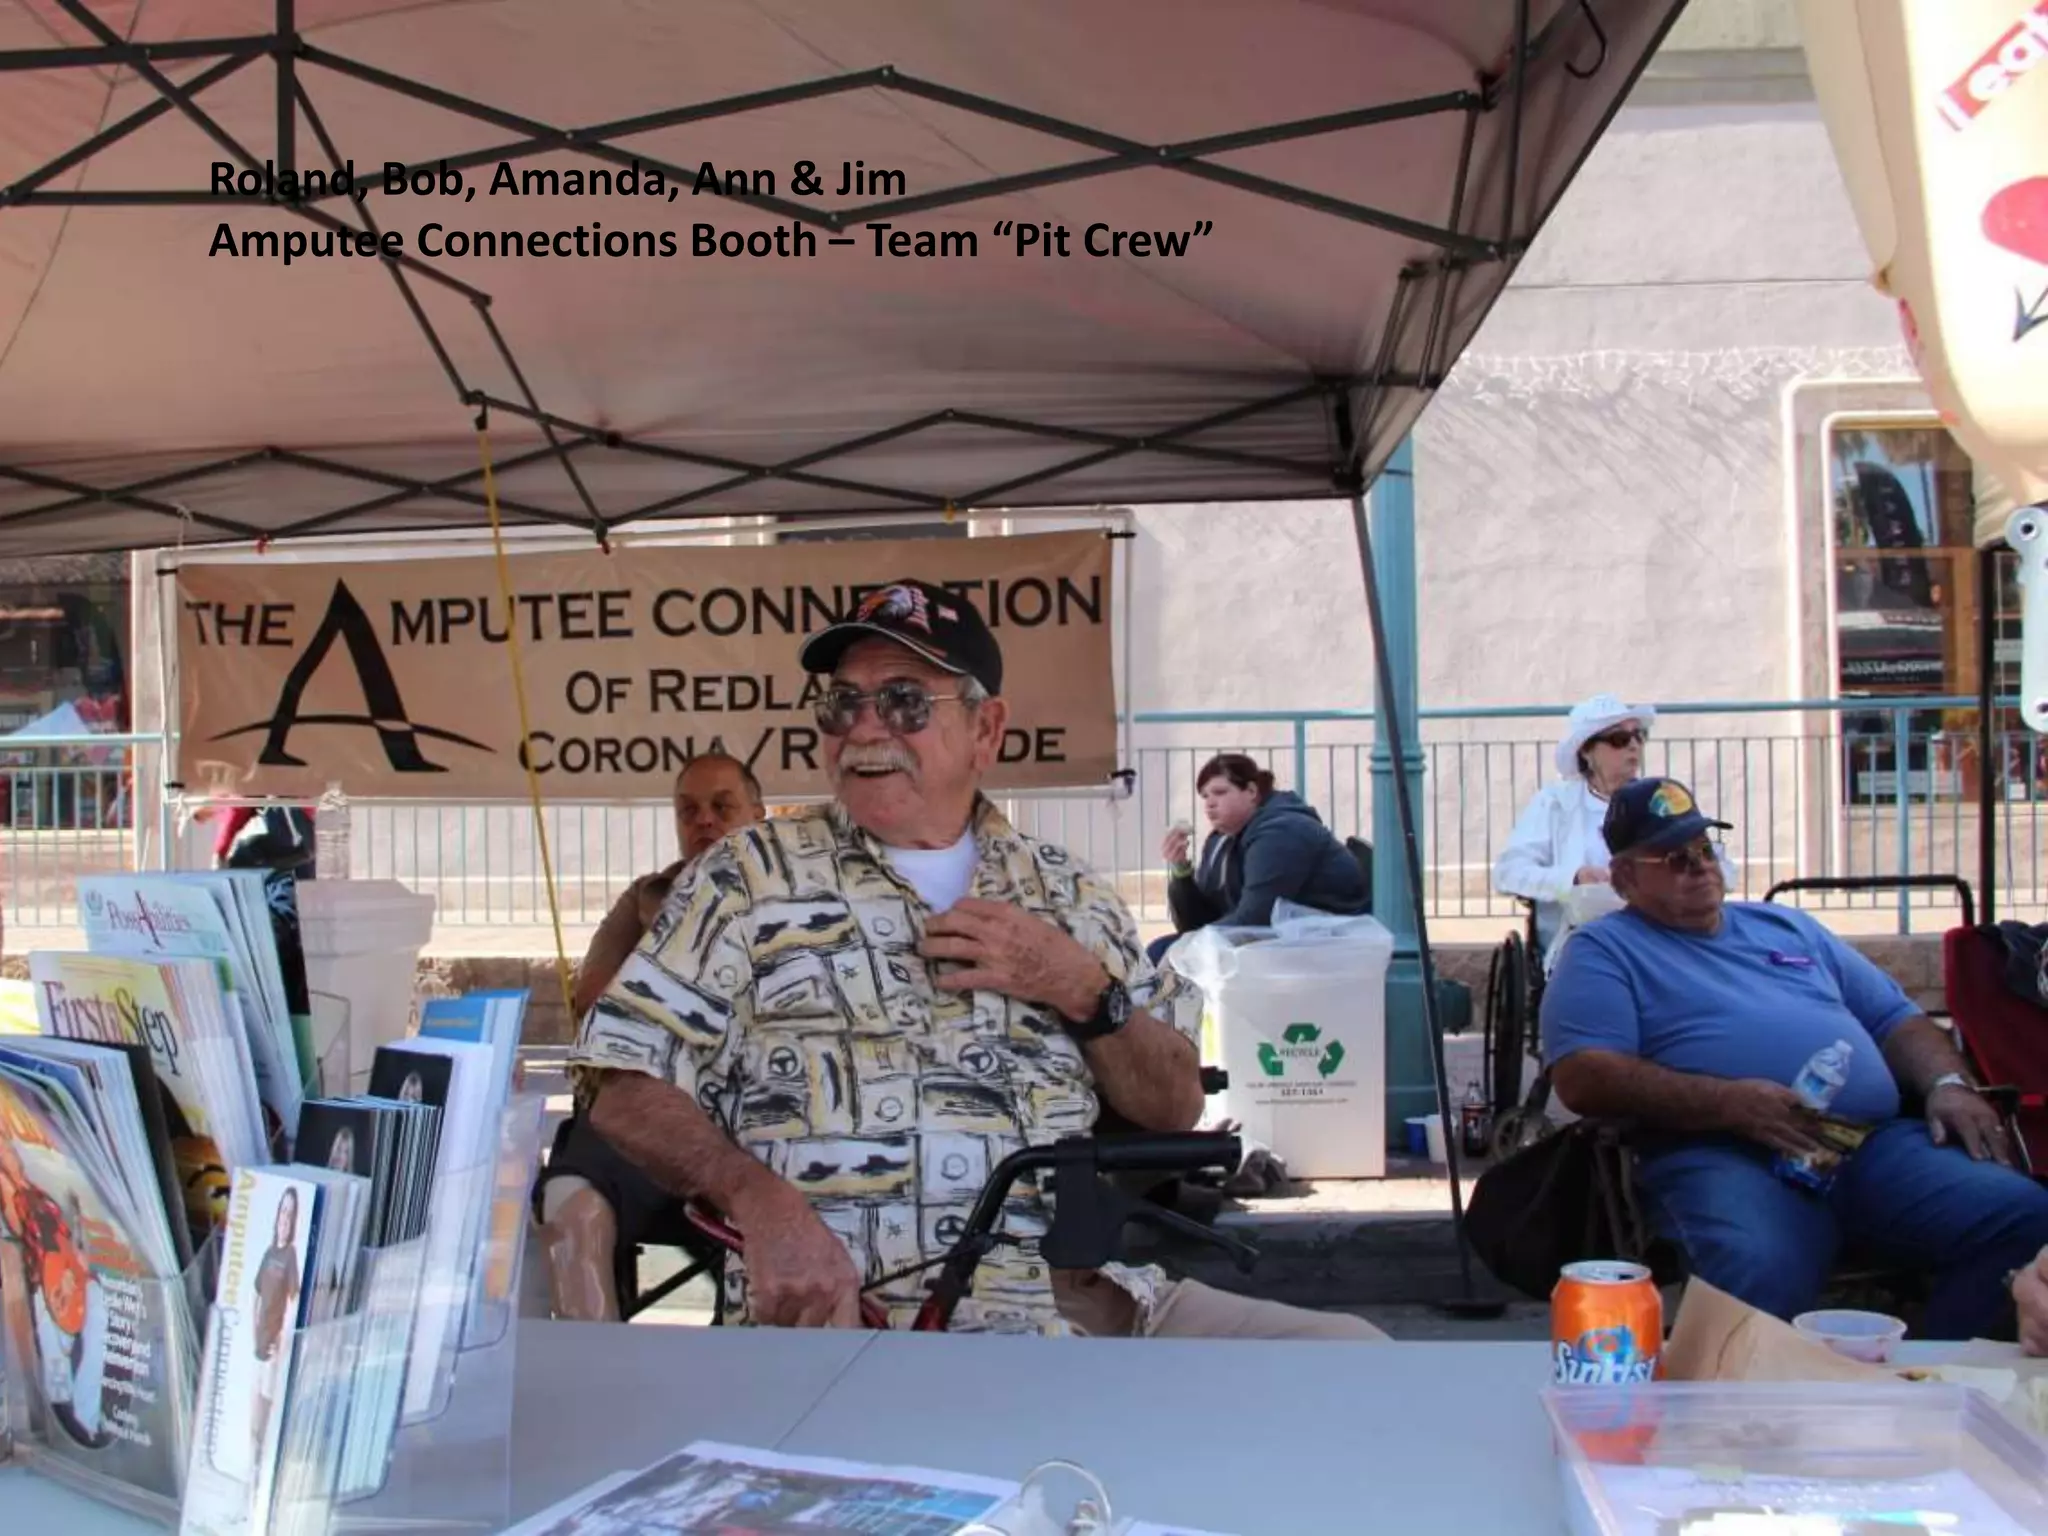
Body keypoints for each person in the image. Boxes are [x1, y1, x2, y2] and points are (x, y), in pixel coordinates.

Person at [571, 578, 1382, 1339]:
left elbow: (1173, 1103)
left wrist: (1081, 988)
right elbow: (617, 1077)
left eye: (902, 702)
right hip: (851, 1327)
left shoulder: (1066, 892)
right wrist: (756, 1200)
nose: (864, 728)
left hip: (1071, 1309)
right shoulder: (749, 878)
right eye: (842, 704)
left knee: (1356, 1361)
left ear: (985, 730)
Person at [1540, 776, 2048, 1340]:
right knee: (1758, 1259)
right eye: (1675, 858)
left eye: (1706, 849)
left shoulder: (1785, 925)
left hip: (1868, 1143)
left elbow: (1896, 1019)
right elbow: (1584, 1076)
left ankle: (1931, 1381)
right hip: (1726, 1151)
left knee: (2021, 1213)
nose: (1701, 866)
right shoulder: (1603, 951)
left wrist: (1951, 1082)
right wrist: (1729, 1103)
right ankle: (1747, 1416)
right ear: (1626, 878)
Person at [534, 751, 768, 1321]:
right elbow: (596, 1002)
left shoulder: (798, 902)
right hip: (647, 1112)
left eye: (721, 806)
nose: (704, 821)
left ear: (759, 816)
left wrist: (661, 993)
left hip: (759, 1122)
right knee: (572, 1208)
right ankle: (596, 1382)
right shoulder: (646, 898)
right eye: (688, 810)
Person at [1150, 753, 1369, 965]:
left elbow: (1255, 918)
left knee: (1165, 955)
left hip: (1323, 946)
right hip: (1275, 940)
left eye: (1220, 792)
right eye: (1205, 796)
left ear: (1251, 791)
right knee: (1161, 951)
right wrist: (1181, 872)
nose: (1210, 803)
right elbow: (1196, 924)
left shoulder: (1282, 832)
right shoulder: (1222, 838)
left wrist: (1186, 949)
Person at [1493, 694, 1656, 970]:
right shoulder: (1555, 803)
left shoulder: (1659, 799)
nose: (1633, 746)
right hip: (1581, 944)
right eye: (1619, 739)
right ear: (1587, 751)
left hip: (1651, 933)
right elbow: (1508, 873)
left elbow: (1712, 861)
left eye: (1639, 736)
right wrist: (1573, 879)